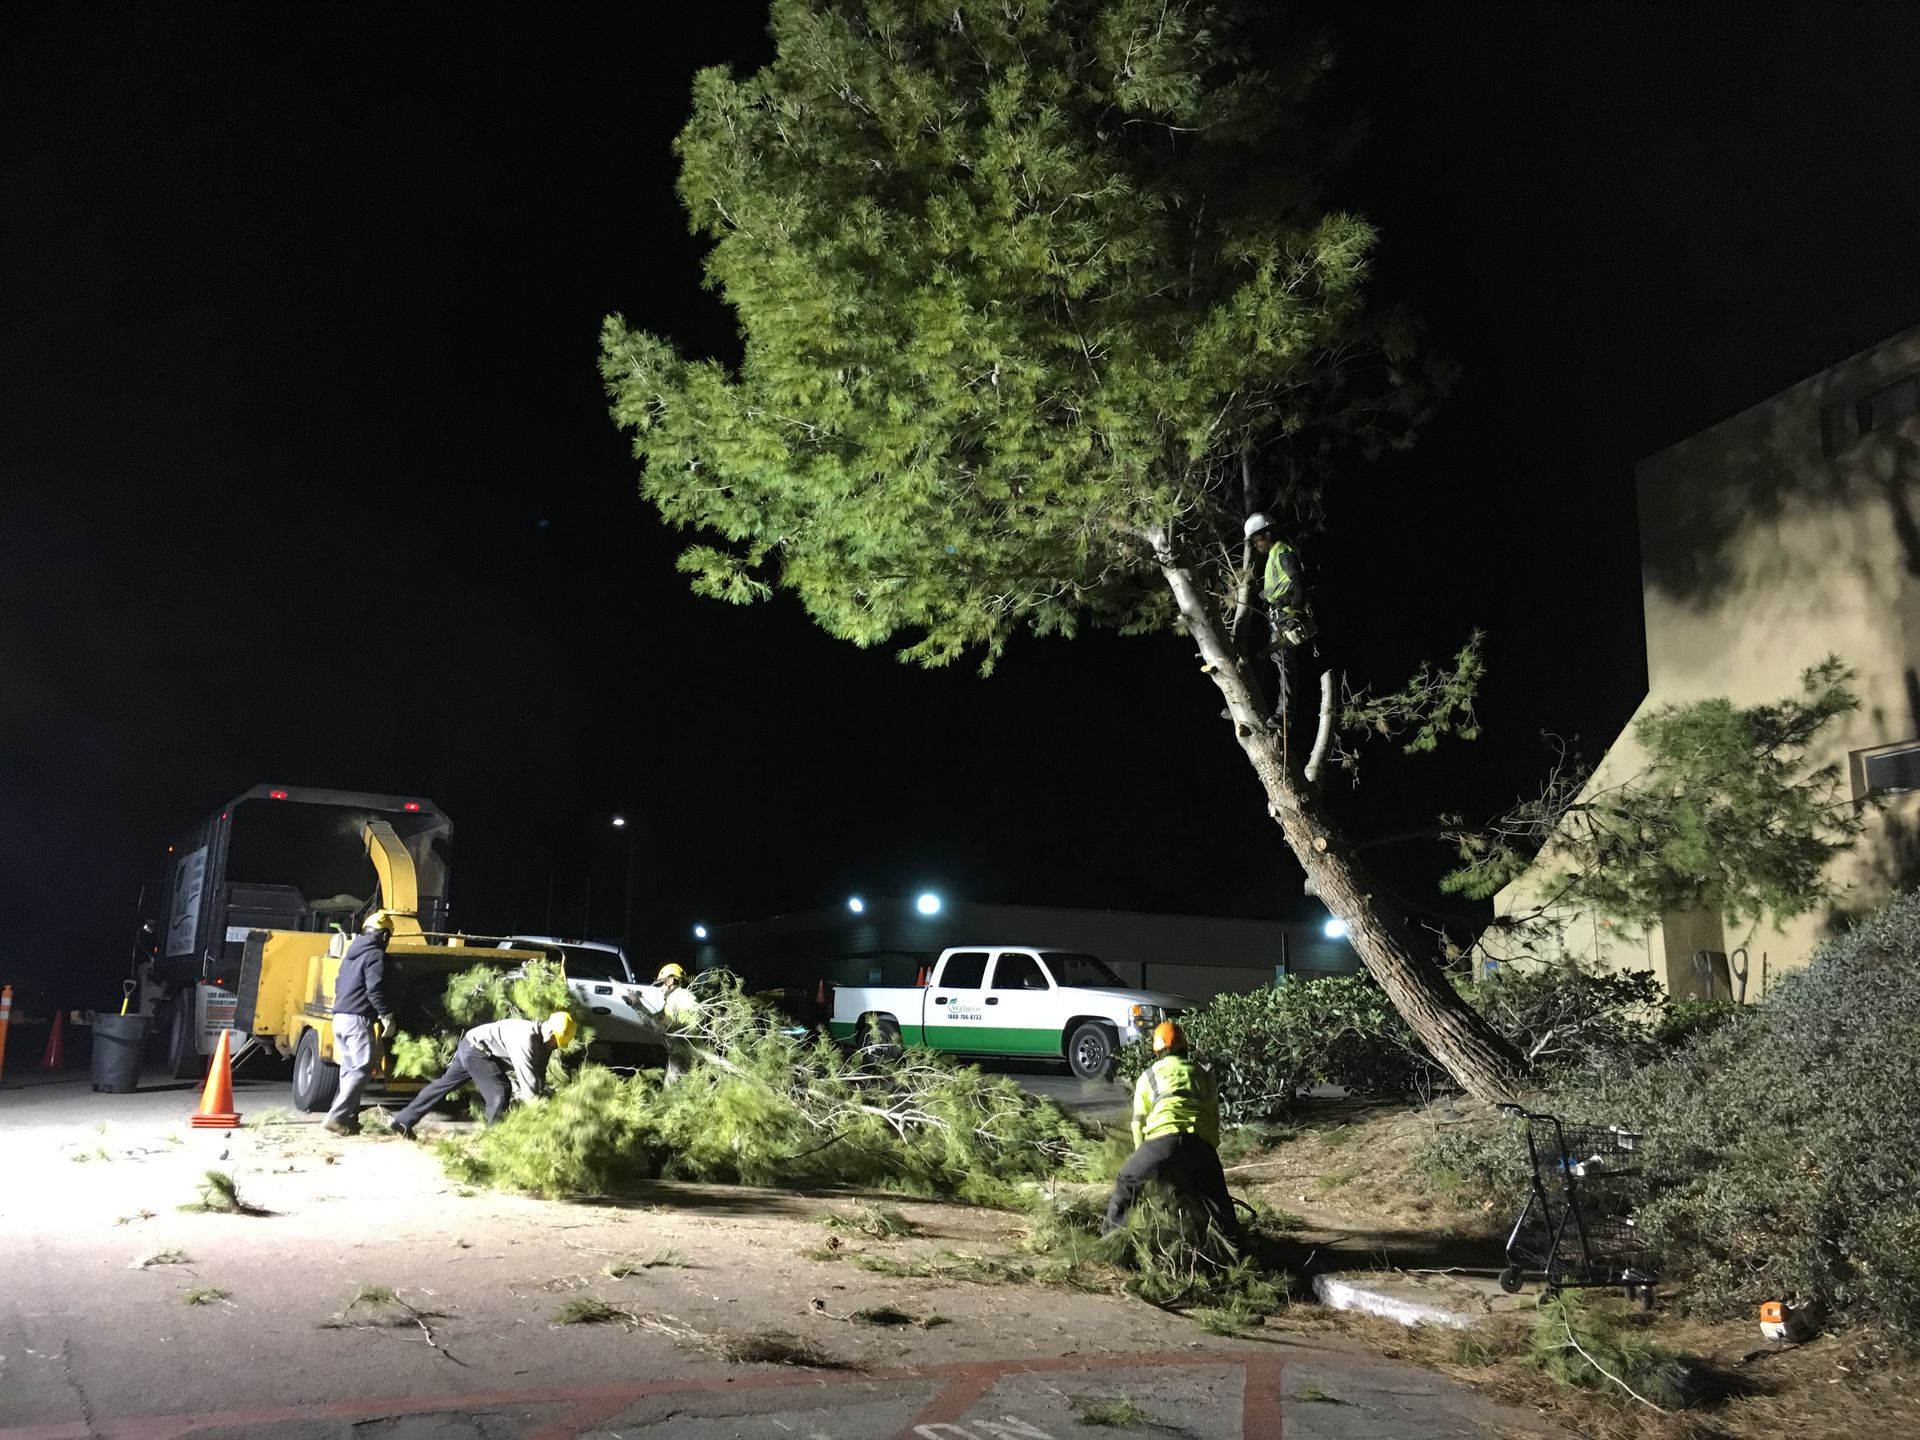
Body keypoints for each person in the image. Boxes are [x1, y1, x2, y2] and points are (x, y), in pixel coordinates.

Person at [1104, 1021, 1241, 1242]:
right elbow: (1213, 1120)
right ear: (1185, 1047)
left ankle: (1111, 1239)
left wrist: (1144, 1158)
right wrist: (1207, 1153)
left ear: (1157, 1052)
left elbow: (1138, 1123)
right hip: (1198, 1144)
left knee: (1126, 1181)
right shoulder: (1203, 1074)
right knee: (1218, 1201)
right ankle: (1236, 1246)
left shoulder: (1149, 1076)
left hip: (1160, 1143)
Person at [389, 1011, 577, 1139]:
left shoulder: (545, 1043)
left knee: (443, 1085)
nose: (556, 1046)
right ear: (550, 1032)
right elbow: (528, 1082)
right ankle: (494, 1142)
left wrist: (544, 1095)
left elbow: (538, 1074)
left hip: (472, 1045)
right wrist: (540, 1116)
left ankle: (403, 1120)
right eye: (556, 1041)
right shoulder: (526, 1040)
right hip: (476, 1050)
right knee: (500, 1091)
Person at [323, 910, 398, 1136]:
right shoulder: (375, 955)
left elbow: (339, 983)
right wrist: (386, 1014)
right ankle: (335, 1118)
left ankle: (346, 1119)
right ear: (383, 935)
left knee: (348, 1069)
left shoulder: (351, 954)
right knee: (362, 1069)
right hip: (357, 1019)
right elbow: (374, 988)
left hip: (340, 1017)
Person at [651, 962, 700, 1081]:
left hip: (686, 1055)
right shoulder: (676, 998)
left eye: (662, 983)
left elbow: (691, 1027)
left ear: (670, 981)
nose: (661, 989)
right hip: (680, 1053)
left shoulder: (680, 998)